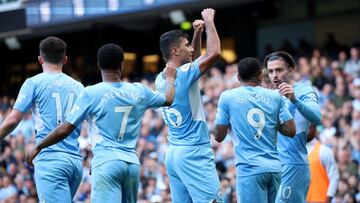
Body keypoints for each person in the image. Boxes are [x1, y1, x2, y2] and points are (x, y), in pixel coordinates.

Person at [26, 43, 177, 203]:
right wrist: (170, 78)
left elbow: (65, 129)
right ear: (122, 64)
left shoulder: (91, 93)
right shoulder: (139, 90)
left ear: (98, 66)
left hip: (106, 164)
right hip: (132, 165)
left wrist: (39, 146)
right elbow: (168, 99)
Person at [0, 36, 84, 202]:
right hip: (75, 162)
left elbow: (12, 120)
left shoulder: (33, 83)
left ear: (40, 59)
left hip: (50, 160)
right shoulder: (79, 86)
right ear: (65, 59)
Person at [155, 8, 222, 203]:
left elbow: (193, 61)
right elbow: (215, 53)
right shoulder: (183, 75)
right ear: (175, 51)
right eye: (186, 46)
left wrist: (197, 34)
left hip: (174, 153)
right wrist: (209, 21)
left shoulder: (162, 78)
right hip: (194, 152)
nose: (190, 49)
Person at [213, 57, 296, 203]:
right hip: (275, 169)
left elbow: (219, 136)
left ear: (238, 77)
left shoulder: (227, 97)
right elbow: (291, 130)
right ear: (261, 76)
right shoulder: (276, 96)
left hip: (249, 169)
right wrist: (271, 120)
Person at [263, 51, 322, 203]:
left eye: (279, 70)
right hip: (273, 165)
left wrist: (294, 99)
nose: (274, 75)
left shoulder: (304, 90)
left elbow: (317, 117)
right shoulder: (269, 95)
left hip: (293, 163)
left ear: (291, 69)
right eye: (270, 71)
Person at [306, 124, 339, 203]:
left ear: (315, 129)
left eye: (309, 127)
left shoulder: (324, 150)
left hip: (321, 199)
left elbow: (334, 177)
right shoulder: (297, 151)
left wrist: (328, 199)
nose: (305, 131)